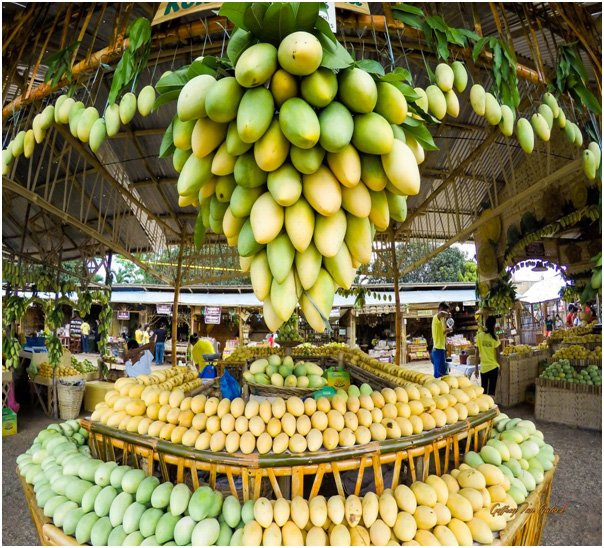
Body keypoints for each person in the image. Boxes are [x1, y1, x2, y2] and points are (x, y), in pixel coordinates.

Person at [474, 316, 501, 396]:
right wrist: (500, 366)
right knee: (492, 392)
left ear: (485, 324)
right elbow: (498, 355)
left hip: (483, 368)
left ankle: (485, 407)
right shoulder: (495, 337)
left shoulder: (479, 336)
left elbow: (476, 354)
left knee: (484, 391)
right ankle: (491, 406)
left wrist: (476, 369)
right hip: (493, 367)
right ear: (494, 325)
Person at [431, 302, 450, 378]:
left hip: (441, 349)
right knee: (438, 375)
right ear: (440, 309)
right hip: (438, 349)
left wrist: (448, 330)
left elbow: (442, 332)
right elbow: (441, 313)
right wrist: (448, 314)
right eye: (446, 311)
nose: (446, 313)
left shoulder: (442, 320)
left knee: (442, 374)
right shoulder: (436, 317)